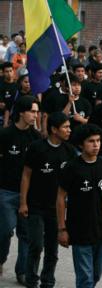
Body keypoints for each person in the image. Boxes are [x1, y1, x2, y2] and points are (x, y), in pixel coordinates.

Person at [56, 124, 102, 288]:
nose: (96, 145)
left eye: (98, 141)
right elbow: (60, 197)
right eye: (91, 141)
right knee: (85, 278)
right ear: (81, 144)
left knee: (96, 274)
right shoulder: (72, 167)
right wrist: (62, 229)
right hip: (79, 230)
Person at [19, 112, 76, 288]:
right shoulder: (37, 148)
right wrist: (23, 202)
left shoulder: (70, 151)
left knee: (52, 249)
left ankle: (47, 280)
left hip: (56, 209)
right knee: (36, 245)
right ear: (53, 129)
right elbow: (26, 175)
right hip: (35, 206)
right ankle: (31, 278)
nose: (69, 130)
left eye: (69, 126)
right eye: (65, 127)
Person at [0, 96, 40, 285]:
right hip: (6, 192)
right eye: (32, 111)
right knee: (5, 230)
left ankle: (22, 271)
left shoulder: (36, 138)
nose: (35, 115)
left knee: (26, 234)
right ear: (22, 112)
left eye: (37, 112)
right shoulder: (5, 135)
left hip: (30, 194)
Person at [0, 63, 17, 127]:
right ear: (3, 73)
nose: (9, 73)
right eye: (7, 71)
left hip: (14, 117)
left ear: (13, 71)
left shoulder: (17, 85)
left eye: (10, 71)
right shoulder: (1, 85)